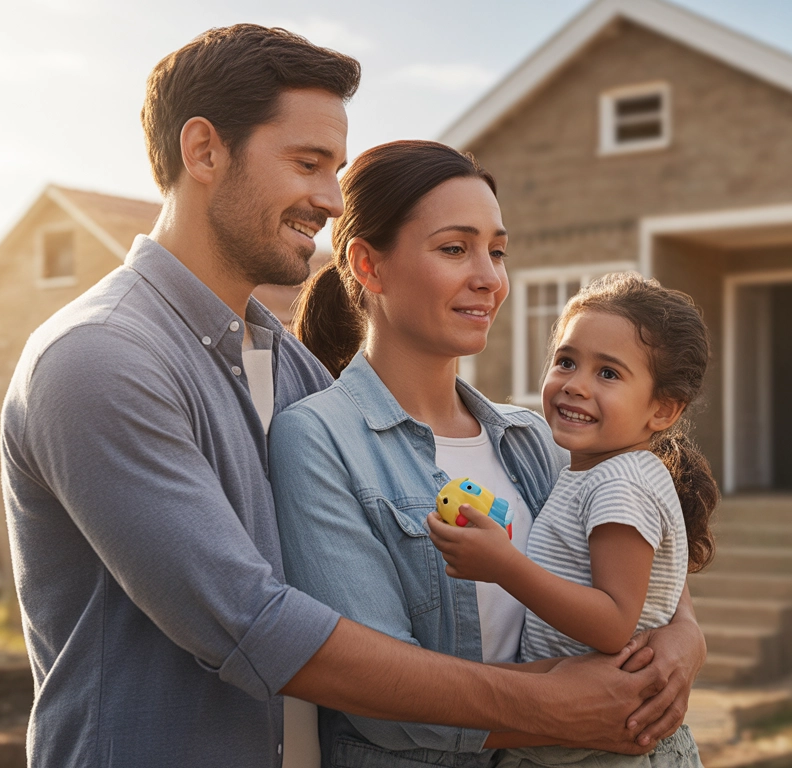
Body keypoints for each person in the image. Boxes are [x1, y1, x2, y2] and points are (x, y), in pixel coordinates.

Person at [0, 26, 674, 768]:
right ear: (203, 151)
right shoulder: (100, 359)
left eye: (336, 169)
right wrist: (549, 707)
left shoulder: (288, 367)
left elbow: (611, 547)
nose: (329, 198)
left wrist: (678, 639)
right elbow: (249, 623)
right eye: (307, 163)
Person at [271, 140, 707, 768]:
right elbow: (373, 697)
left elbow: (638, 569)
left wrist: (684, 636)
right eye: (455, 248)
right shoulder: (319, 440)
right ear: (369, 266)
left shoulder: (533, 438)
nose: (489, 278)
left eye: (497, 252)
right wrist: (554, 709)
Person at [428, 273, 720, 768]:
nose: (576, 385)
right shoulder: (594, 470)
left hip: (596, 752)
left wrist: (504, 565)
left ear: (663, 409)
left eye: (608, 373)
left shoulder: (619, 484)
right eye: (566, 361)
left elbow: (611, 623)